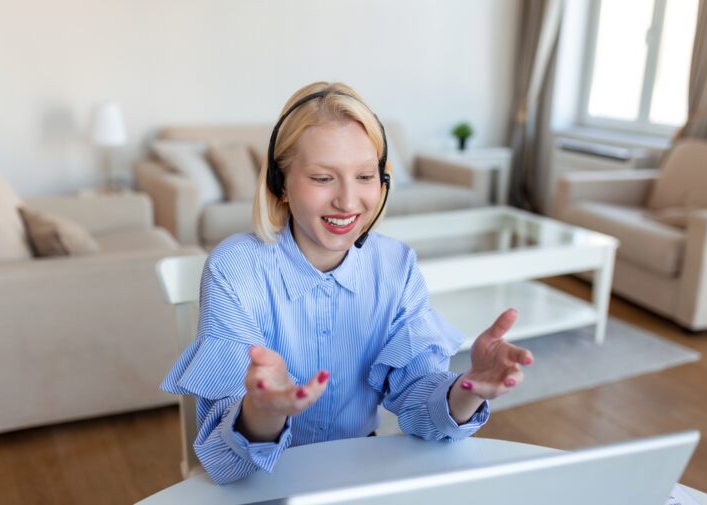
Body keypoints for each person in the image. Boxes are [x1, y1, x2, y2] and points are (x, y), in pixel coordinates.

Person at [161, 81, 534, 485]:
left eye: (364, 176)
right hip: (262, 479)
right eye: (323, 178)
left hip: (358, 474)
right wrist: (263, 411)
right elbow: (226, 462)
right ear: (279, 183)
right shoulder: (235, 269)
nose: (348, 201)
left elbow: (420, 405)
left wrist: (468, 388)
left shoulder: (397, 266)